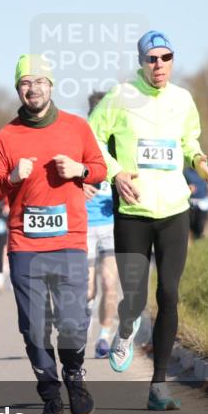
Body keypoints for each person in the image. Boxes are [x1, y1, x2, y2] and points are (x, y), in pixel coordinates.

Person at [89, 30, 208, 410]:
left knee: (169, 294)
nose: (159, 65)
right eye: (152, 58)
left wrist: (198, 160)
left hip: (174, 210)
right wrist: (115, 173)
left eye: (166, 57)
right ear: (141, 62)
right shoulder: (120, 97)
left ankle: (158, 385)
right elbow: (91, 138)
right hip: (133, 212)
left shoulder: (183, 99)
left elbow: (188, 140)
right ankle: (126, 326)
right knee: (135, 297)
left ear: (172, 60)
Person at [0, 55, 107, 414]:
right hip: (26, 245)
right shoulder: (6, 136)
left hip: (69, 241)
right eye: (25, 82)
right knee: (34, 328)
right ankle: (51, 399)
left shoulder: (77, 127)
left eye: (39, 81)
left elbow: (100, 169)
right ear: (17, 89)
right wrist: (11, 179)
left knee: (71, 323)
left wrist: (80, 170)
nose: (32, 88)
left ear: (51, 85)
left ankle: (74, 374)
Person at [84, 92, 118, 359]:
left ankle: (105, 335)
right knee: (87, 288)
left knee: (108, 281)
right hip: (84, 225)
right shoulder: (80, 143)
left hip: (110, 225)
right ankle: (85, 322)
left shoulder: (120, 144)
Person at [185, 166, 208, 237]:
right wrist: (188, 187)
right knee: (192, 223)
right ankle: (195, 236)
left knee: (201, 223)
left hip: (204, 202)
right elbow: (182, 185)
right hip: (192, 202)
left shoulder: (205, 171)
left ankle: (200, 236)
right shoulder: (186, 172)